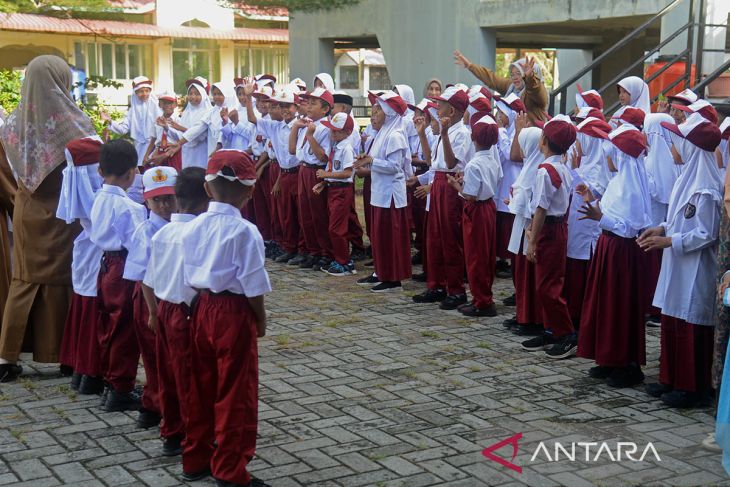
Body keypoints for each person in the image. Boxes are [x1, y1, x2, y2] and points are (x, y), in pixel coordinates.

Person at [0, 55, 96, 382]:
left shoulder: (12, 125)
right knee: (62, 281)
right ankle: (66, 354)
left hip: (27, 212)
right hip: (62, 214)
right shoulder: (77, 125)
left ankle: (6, 356)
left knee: (24, 281)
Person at [180, 149, 271, 486]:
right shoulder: (245, 231)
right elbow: (253, 285)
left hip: (201, 307)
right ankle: (230, 469)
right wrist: (259, 319)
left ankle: (195, 457)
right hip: (233, 312)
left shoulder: (193, 226)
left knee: (200, 385)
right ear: (249, 192)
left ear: (206, 189)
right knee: (236, 394)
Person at [639, 112, 722, 408]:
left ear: (691, 147)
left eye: (678, 143)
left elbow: (706, 233)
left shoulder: (706, 187)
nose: (672, 149)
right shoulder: (686, 178)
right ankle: (671, 378)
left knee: (690, 320)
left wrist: (669, 240)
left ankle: (692, 387)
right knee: (673, 316)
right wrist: (662, 229)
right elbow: (679, 221)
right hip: (678, 260)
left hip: (695, 266)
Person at [577, 123, 653, 386]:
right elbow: (610, 210)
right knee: (606, 304)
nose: (607, 156)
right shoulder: (619, 180)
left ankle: (627, 363)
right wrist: (593, 201)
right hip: (609, 249)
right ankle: (608, 357)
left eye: (611, 152)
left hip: (622, 252)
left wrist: (601, 217)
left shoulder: (630, 185)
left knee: (620, 306)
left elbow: (630, 227)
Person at [143, 167, 209, 457]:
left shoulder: (163, 232)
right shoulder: (201, 232)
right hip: (188, 313)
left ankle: (171, 432)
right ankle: (192, 436)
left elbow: (147, 279)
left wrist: (153, 313)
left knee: (167, 373)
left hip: (165, 307)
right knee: (190, 378)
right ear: (207, 198)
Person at [90, 139, 146, 412]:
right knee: (124, 327)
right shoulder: (130, 207)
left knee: (108, 323)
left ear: (100, 171)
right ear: (132, 172)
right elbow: (139, 245)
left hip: (106, 265)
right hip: (124, 266)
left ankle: (111, 381)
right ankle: (120, 388)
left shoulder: (99, 196)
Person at [124, 166, 178, 428]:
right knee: (154, 356)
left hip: (172, 300)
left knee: (171, 356)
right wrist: (153, 311)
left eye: (169, 198)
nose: (164, 205)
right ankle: (153, 405)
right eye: (157, 199)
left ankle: (164, 405)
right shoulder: (145, 231)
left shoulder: (182, 227)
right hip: (150, 301)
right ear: (146, 200)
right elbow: (142, 276)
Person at [521, 115, 578, 359]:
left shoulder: (546, 171)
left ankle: (566, 334)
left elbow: (541, 207)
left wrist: (533, 239)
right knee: (546, 281)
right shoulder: (562, 167)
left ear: (544, 140)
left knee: (548, 286)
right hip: (556, 227)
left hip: (550, 229)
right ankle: (551, 328)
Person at [412, 86, 472, 309]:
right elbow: (431, 162)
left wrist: (444, 135)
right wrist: (422, 135)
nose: (437, 107)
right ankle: (436, 284)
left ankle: (455, 289)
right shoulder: (445, 132)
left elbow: (450, 164)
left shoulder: (461, 133)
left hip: (449, 185)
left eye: (441, 104)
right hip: (438, 183)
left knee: (449, 238)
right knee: (434, 238)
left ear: (453, 110)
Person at [56, 136, 105, 395]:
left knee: (84, 311)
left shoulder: (83, 192)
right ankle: (93, 372)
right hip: (97, 259)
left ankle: (81, 371)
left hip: (85, 256)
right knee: (95, 318)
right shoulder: (98, 198)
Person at [354, 91, 412, 292]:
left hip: (390, 195)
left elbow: (395, 167)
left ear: (388, 113)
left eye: (378, 109)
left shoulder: (395, 135)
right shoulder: (382, 132)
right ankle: (380, 271)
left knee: (390, 236)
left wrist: (372, 161)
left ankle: (393, 277)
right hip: (380, 191)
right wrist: (366, 160)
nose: (374, 113)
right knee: (379, 235)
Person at [447, 113, 502, 316]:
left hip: (476, 210)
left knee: (475, 255)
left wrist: (455, 185)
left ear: (473, 138)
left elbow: (469, 195)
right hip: (489, 207)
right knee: (486, 254)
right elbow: (495, 180)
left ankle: (482, 301)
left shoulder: (473, 164)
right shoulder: (493, 161)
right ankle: (484, 295)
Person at [288, 87, 334, 270]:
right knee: (305, 213)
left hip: (316, 171)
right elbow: (293, 151)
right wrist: (296, 128)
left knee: (319, 214)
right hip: (303, 170)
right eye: (308, 103)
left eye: (313, 103)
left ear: (325, 109)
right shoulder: (306, 124)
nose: (308, 106)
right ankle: (312, 250)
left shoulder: (325, 128)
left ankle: (325, 252)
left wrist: (310, 135)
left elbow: (324, 157)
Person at [505, 124, 544, 336]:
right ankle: (522, 312)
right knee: (520, 273)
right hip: (522, 225)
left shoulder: (536, 171)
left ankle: (531, 317)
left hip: (528, 228)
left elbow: (533, 203)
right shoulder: (529, 167)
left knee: (528, 275)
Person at [454, 51, 548, 124]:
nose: (515, 77)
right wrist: (470, 66)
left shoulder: (536, 93)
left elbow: (535, 89)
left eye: (519, 73)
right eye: (512, 74)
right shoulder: (511, 87)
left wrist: (530, 78)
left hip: (529, 140)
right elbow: (492, 79)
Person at [317, 112, 358, 276]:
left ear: (347, 132)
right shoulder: (337, 146)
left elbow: (347, 173)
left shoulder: (347, 148)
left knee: (337, 228)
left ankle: (345, 262)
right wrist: (323, 183)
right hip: (333, 189)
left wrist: (326, 176)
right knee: (333, 226)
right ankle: (339, 258)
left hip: (342, 190)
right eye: (331, 130)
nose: (332, 134)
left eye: (336, 131)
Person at [102, 75, 159, 167]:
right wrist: (110, 121)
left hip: (156, 147)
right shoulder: (132, 112)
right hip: (140, 148)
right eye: (141, 91)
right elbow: (123, 129)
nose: (144, 94)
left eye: (147, 91)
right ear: (135, 93)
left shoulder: (157, 106)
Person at [169, 78, 211, 169]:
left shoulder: (208, 112)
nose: (193, 97)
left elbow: (198, 132)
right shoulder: (187, 112)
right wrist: (167, 127)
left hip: (201, 153)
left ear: (203, 95)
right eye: (190, 94)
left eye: (197, 94)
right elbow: (181, 135)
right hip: (187, 154)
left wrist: (180, 129)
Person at [143, 89, 183, 172]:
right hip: (159, 152)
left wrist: (166, 128)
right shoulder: (157, 121)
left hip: (173, 153)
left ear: (175, 104)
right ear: (160, 105)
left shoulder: (179, 121)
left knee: (174, 177)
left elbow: (182, 139)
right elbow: (153, 140)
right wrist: (146, 155)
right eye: (164, 103)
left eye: (170, 103)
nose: (167, 105)